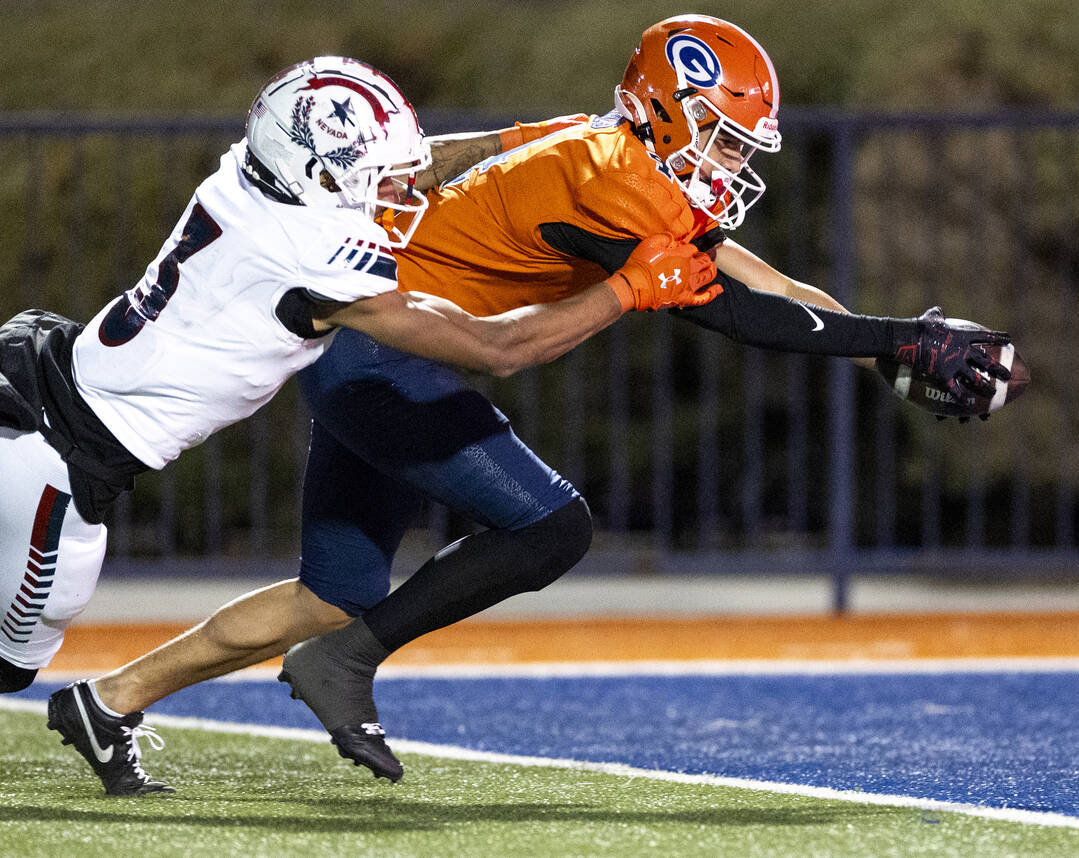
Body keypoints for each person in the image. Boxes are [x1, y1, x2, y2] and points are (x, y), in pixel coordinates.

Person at [50, 16, 1011, 792]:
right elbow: (736, 317)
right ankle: (347, 662)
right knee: (552, 527)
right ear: (668, 111)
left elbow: (734, 270)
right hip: (390, 361)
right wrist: (893, 341)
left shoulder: (602, 144)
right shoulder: (608, 187)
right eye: (719, 131)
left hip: (368, 359)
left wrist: (875, 340)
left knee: (329, 592)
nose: (729, 156)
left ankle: (110, 699)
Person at [0, 55, 718, 795]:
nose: (399, 189)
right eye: (376, 177)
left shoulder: (250, 173)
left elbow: (422, 167)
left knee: (333, 594)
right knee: (10, 662)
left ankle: (108, 706)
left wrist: (523, 139)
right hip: (56, 465)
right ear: (318, 176)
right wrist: (628, 289)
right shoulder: (320, 259)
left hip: (54, 380)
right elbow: (498, 348)